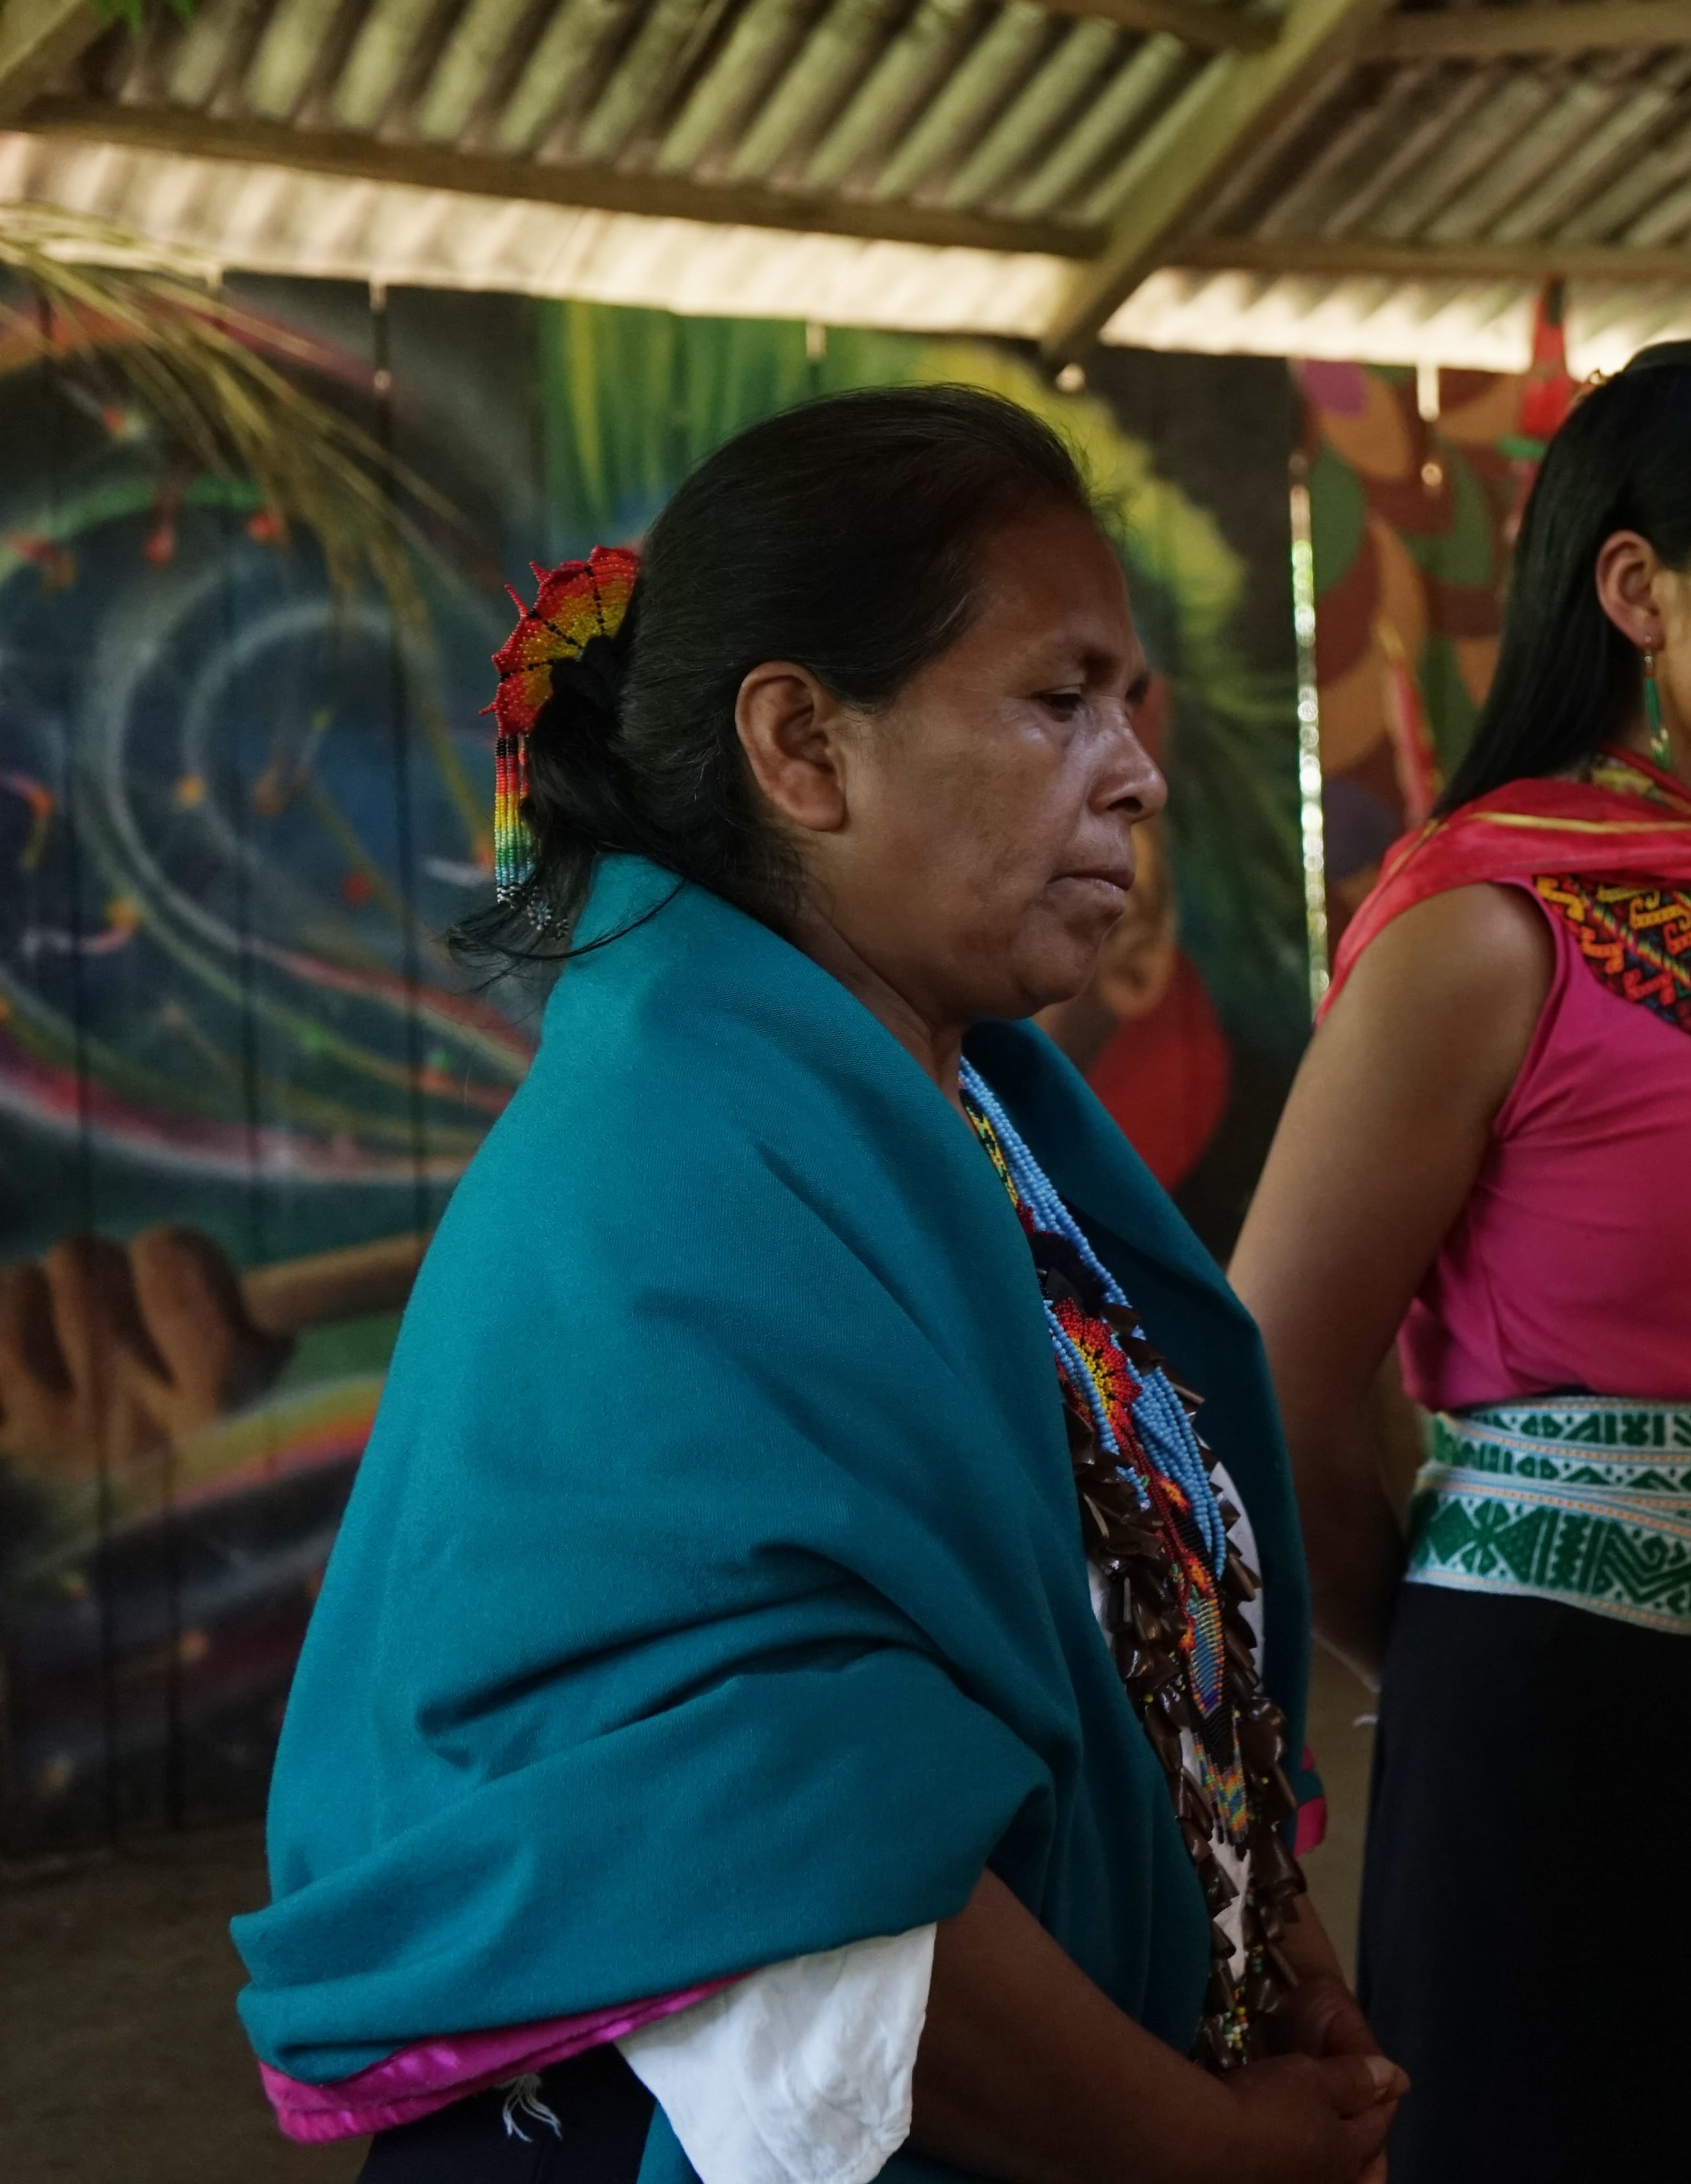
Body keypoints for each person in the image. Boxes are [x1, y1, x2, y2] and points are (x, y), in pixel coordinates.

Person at [231, 386, 1400, 2184]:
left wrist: (1256, 1947)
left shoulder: (959, 1118)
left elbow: (1137, 1603)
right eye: (1058, 698)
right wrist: (1204, 2150)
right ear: (803, 747)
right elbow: (774, 1824)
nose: (1140, 768)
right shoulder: (673, 1175)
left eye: (1131, 704)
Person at [1230, 339, 1691, 2183]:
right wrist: (1456, 1633)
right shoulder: (1486, 933)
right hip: (1574, 1733)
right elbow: (1265, 1376)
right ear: (1638, 588)